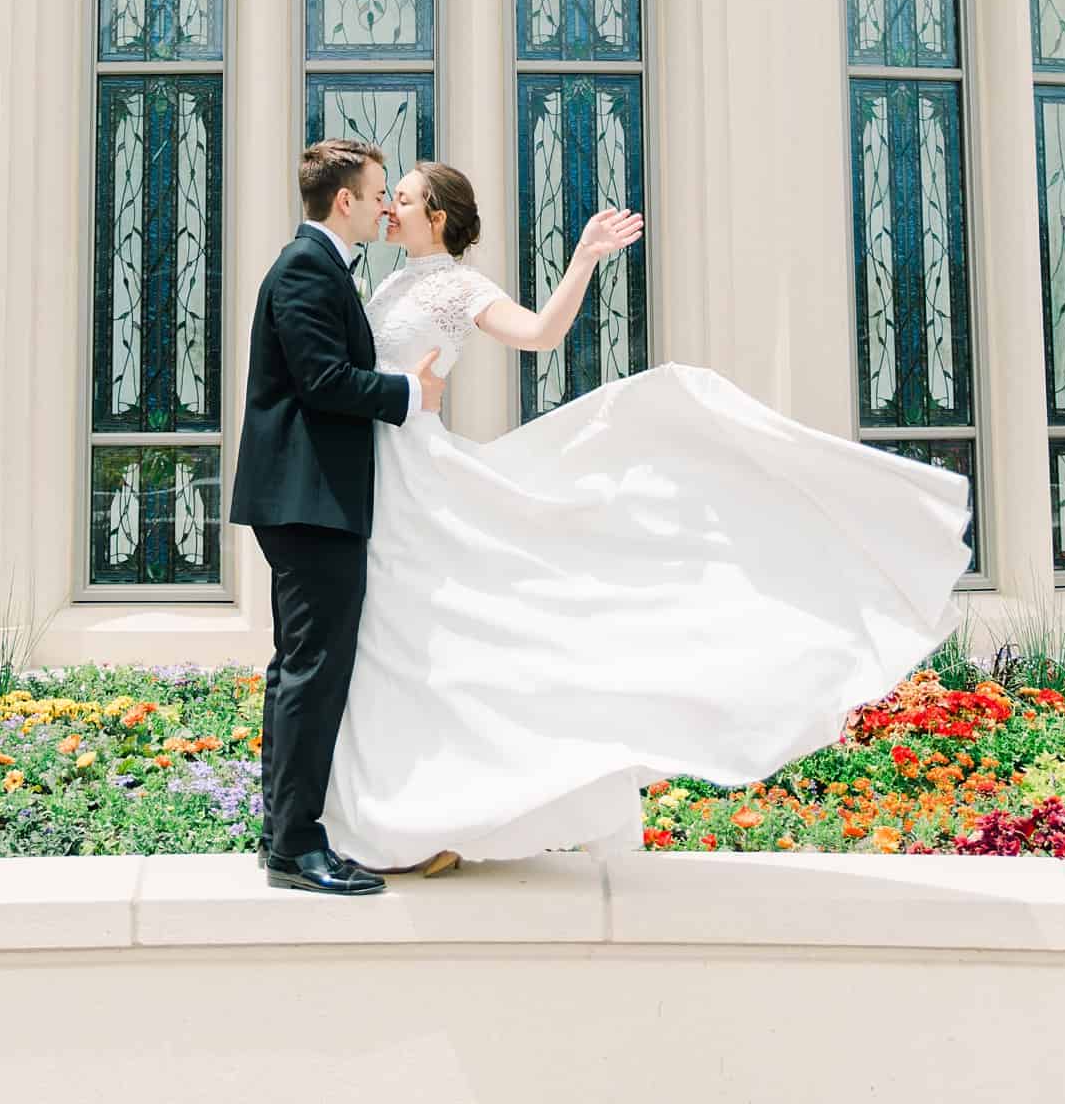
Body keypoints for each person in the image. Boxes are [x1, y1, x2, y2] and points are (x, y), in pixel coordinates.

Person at [321, 161, 972, 875]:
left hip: (414, 473)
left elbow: (538, 334)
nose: (390, 210)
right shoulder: (388, 282)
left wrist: (583, 260)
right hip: (380, 467)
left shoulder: (458, 287)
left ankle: (428, 819)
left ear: (437, 216)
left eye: (404, 200)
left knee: (415, 631)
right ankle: (412, 810)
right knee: (397, 638)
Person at [227, 137, 446, 895]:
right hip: (308, 501)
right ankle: (296, 845)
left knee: (301, 668)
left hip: (312, 499)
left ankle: (282, 834)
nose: (388, 204)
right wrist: (408, 395)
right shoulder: (303, 269)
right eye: (380, 191)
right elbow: (322, 380)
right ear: (345, 200)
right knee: (313, 672)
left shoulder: (322, 268)